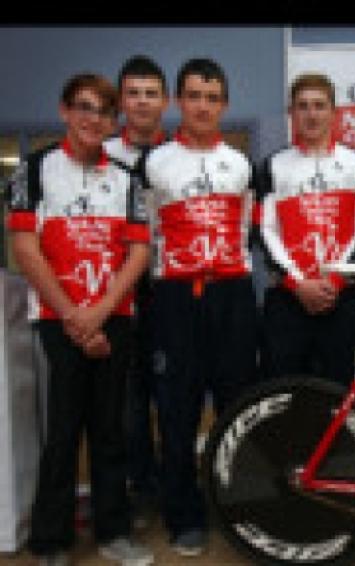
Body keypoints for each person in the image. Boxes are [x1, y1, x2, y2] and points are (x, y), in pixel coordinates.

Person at [6, 73, 153, 566]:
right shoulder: (32, 170)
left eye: (104, 111)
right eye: (84, 107)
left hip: (114, 316)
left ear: (113, 122)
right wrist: (74, 317)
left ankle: (114, 532)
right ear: (65, 111)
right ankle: (50, 539)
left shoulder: (128, 180)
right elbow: (25, 249)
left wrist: (100, 312)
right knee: (64, 429)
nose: (94, 119)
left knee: (110, 429)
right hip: (56, 318)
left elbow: (138, 253)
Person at [142, 57, 259, 557]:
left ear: (224, 105)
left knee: (238, 405)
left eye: (212, 98)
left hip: (231, 294)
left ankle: (239, 508)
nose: (203, 107)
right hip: (175, 297)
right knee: (178, 410)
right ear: (178, 102)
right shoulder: (155, 163)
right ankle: (184, 515)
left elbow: (245, 229)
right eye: (194, 96)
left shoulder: (241, 164)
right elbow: (149, 234)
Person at [258, 73, 355, 387]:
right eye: (303, 106)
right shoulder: (271, 166)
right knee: (283, 392)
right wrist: (297, 284)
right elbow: (264, 231)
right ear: (292, 113)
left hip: (340, 297)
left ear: (333, 112)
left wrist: (336, 280)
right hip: (288, 298)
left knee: (338, 394)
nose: (311, 114)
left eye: (319, 106)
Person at [103, 54, 169, 529]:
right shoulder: (102, 155)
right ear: (121, 101)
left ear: (165, 101)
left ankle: (174, 485)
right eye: (133, 93)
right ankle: (138, 488)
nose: (142, 102)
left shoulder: (180, 155)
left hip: (168, 292)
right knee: (127, 402)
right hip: (117, 293)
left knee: (171, 395)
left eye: (151, 94)